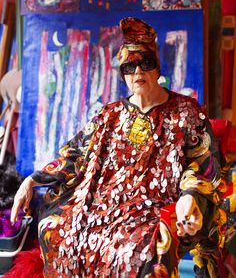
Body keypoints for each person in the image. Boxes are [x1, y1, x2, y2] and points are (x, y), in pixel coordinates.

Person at [11, 17, 224, 278]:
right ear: (122, 74)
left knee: (140, 250)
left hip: (155, 204)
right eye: (129, 67)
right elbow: (76, 153)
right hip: (104, 202)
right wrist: (32, 181)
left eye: (145, 64)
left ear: (157, 69)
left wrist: (190, 193)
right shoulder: (110, 114)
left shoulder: (185, 110)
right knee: (56, 230)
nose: (137, 73)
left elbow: (204, 159)